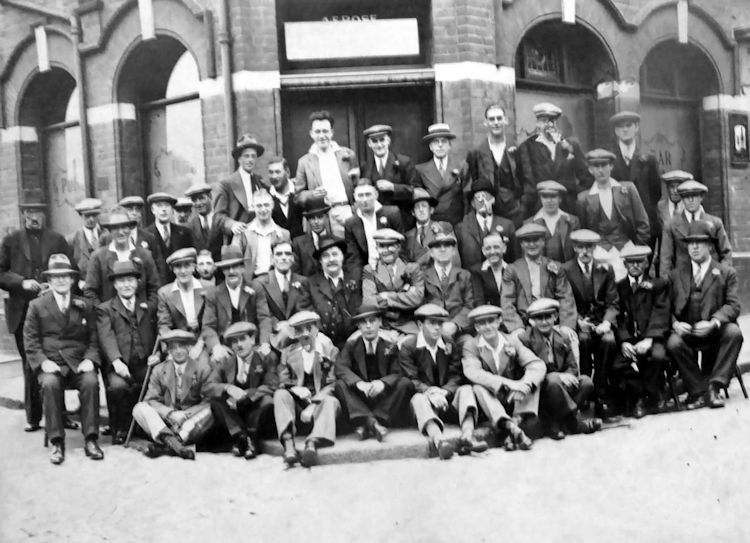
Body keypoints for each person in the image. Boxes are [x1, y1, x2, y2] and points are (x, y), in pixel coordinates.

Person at [23, 254, 102, 464]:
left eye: (65, 276)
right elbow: (30, 340)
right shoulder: (37, 305)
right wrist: (42, 362)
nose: (61, 281)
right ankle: (57, 441)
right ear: (49, 281)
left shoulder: (84, 304)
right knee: (49, 385)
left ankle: (91, 439)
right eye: (56, 277)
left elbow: (94, 338)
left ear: (72, 279)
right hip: (52, 363)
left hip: (78, 362)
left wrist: (90, 359)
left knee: (91, 381)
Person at [0, 201, 72, 432]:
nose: (34, 216)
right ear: (22, 214)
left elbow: (71, 270)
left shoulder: (58, 240)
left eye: (38, 211)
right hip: (22, 311)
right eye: (29, 212)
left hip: (52, 309)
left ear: (44, 214)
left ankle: (61, 416)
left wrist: (54, 287)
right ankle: (34, 417)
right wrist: (21, 282)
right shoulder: (11, 241)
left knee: (57, 359)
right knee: (30, 364)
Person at [666, 221, 743, 410]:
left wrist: (715, 322)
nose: (694, 247)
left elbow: (733, 305)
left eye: (699, 243)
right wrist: (675, 324)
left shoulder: (725, 272)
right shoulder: (676, 275)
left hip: (713, 330)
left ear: (709, 245)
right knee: (673, 343)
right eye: (690, 243)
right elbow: (664, 308)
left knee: (734, 332)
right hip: (687, 331)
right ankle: (698, 390)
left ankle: (714, 386)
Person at [399, 304, 487, 460]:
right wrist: (431, 392)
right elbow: (411, 378)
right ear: (420, 325)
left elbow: (456, 374)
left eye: (440, 323)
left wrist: (445, 392)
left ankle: (467, 435)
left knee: (466, 389)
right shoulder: (409, 346)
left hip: (446, 399)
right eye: (431, 323)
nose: (437, 328)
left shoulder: (447, 342)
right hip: (425, 402)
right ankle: (439, 441)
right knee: (418, 399)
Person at [462, 305, 543, 450]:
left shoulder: (511, 340)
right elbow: (472, 372)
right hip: (491, 402)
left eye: (491, 321)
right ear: (476, 327)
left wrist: (525, 385)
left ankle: (513, 428)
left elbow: (536, 364)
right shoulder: (471, 345)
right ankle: (511, 428)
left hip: (514, 400)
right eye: (482, 323)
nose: (487, 327)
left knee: (533, 380)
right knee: (478, 387)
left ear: (499, 321)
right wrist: (510, 384)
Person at [518, 299, 602, 439]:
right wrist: (559, 376)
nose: (544, 322)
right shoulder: (525, 339)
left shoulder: (562, 337)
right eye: (539, 318)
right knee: (553, 380)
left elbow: (573, 366)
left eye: (548, 317)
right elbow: (527, 370)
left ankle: (556, 422)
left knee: (586, 382)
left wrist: (567, 376)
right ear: (532, 320)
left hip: (561, 387)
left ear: (555, 317)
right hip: (541, 389)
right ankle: (572, 423)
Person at [96, 260, 158, 445]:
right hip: (118, 365)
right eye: (121, 281)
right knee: (118, 387)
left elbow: (156, 334)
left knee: (155, 381)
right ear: (115, 285)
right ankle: (120, 429)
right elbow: (106, 337)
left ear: (137, 282)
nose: (126, 285)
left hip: (143, 362)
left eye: (130, 280)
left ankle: (145, 426)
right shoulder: (105, 309)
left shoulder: (146, 307)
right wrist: (116, 361)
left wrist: (158, 355)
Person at [334, 305, 414, 441]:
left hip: (382, 397)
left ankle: (368, 422)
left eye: (372, 321)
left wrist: (383, 383)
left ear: (380, 323)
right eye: (364, 322)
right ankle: (374, 423)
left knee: (405, 384)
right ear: (358, 326)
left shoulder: (390, 345)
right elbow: (341, 367)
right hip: (360, 397)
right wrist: (358, 383)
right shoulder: (352, 346)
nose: (368, 326)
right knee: (340, 385)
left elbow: (398, 371)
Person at [132, 329, 214, 459]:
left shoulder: (202, 369)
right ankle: (174, 443)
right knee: (139, 408)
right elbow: (151, 400)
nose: (178, 351)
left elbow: (208, 400)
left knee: (213, 409)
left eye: (182, 346)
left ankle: (168, 445)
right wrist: (170, 414)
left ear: (189, 347)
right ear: (169, 351)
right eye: (173, 348)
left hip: (190, 421)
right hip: (167, 422)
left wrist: (186, 415)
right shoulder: (159, 370)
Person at [273, 310, 341, 467]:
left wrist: (314, 404)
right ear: (294, 334)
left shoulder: (329, 351)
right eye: (299, 330)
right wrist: (294, 389)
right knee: (280, 394)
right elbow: (282, 380)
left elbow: (333, 384)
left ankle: (312, 443)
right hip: (299, 406)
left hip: (321, 406)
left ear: (316, 329)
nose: (304, 335)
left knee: (331, 401)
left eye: (308, 329)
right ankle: (289, 444)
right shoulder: (288, 353)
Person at [203, 321, 278, 460]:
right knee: (216, 401)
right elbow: (207, 386)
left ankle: (250, 439)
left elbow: (271, 385)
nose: (239, 345)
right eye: (234, 341)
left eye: (243, 339)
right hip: (235, 413)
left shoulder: (266, 358)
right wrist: (228, 388)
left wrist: (246, 395)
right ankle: (242, 438)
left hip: (254, 409)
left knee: (268, 401)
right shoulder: (226, 362)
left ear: (252, 339)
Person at [561, 230, 619, 410]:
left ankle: (600, 389)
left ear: (594, 248)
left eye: (588, 247)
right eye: (580, 247)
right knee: (583, 341)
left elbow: (613, 302)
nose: (585, 252)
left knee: (609, 340)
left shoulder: (605, 269)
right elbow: (565, 300)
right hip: (580, 322)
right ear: (575, 248)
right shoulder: (566, 270)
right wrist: (577, 320)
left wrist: (607, 323)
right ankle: (585, 388)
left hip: (601, 321)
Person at [614, 245, 671, 418]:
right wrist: (624, 340)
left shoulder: (658, 285)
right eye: (631, 262)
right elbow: (617, 316)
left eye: (639, 261)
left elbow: (661, 313)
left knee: (657, 356)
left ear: (646, 263)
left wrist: (650, 339)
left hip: (652, 339)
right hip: (629, 340)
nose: (635, 266)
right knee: (617, 364)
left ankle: (652, 395)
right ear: (624, 264)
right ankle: (640, 395)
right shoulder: (618, 288)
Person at [577, 148, 650, 280]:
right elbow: (584, 232)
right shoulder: (584, 198)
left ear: (611, 166)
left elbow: (643, 223)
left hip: (627, 250)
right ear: (590, 169)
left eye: (604, 165)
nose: (600, 170)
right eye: (596, 166)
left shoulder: (627, 189)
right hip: (600, 253)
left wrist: (637, 251)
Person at [501, 223, 578, 333]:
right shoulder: (512, 269)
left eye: (536, 240)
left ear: (543, 242)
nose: (532, 244)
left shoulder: (555, 267)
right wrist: (516, 328)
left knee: (569, 339)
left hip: (552, 322)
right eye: (527, 241)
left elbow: (565, 298)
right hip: (525, 325)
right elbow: (507, 302)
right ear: (521, 244)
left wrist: (566, 325)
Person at [201, 245, 272, 364]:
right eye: (227, 268)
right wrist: (216, 347)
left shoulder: (255, 288)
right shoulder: (213, 293)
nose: (231, 271)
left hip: (251, 345)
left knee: (269, 358)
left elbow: (264, 318)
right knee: (215, 362)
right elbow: (208, 326)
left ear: (243, 268)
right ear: (223, 271)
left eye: (235, 266)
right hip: (226, 347)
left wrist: (265, 343)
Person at [518, 102, 592, 214]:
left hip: (568, 209)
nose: (548, 125)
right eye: (544, 121)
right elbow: (526, 182)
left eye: (552, 121)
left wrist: (572, 194)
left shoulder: (570, 144)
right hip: (539, 208)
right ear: (537, 123)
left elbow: (587, 178)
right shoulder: (527, 147)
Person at [294, 111, 358, 238]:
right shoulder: (305, 161)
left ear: (331, 132)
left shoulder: (347, 155)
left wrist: (354, 211)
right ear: (311, 134)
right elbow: (298, 196)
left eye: (325, 131)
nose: (322, 136)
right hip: (320, 215)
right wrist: (312, 194)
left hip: (345, 211)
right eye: (317, 132)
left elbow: (357, 186)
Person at [84, 211, 160, 309]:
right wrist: (103, 312)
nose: (120, 232)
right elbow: (90, 291)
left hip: (141, 317)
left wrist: (149, 307)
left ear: (130, 229)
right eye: (115, 228)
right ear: (110, 231)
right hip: (110, 320)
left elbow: (155, 287)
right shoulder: (98, 257)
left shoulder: (144, 255)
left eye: (124, 227)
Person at [659, 179, 732, 279]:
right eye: (686, 196)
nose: (690, 200)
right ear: (682, 199)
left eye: (694, 196)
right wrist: (669, 285)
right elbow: (665, 260)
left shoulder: (715, 223)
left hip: (711, 280)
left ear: (701, 197)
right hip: (683, 282)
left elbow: (726, 253)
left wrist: (721, 277)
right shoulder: (671, 225)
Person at [465, 104, 525, 226]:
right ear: (485, 122)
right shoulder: (476, 153)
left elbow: (525, 180)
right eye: (492, 119)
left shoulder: (517, 149)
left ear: (505, 120)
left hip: (514, 211)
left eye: (499, 118)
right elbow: (473, 185)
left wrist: (522, 206)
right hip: (488, 211)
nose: (496, 122)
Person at [609, 111, 661, 248]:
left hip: (644, 224)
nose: (625, 129)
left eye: (628, 125)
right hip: (618, 225)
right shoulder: (609, 159)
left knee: (642, 265)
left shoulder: (648, 158)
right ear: (615, 131)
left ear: (636, 128)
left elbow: (656, 193)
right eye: (620, 126)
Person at [362, 229, 424, 336]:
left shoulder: (412, 268)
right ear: (376, 248)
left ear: (399, 247)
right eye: (381, 246)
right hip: (381, 326)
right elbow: (369, 302)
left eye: (390, 245)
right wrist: (404, 297)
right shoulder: (370, 270)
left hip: (407, 325)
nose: (386, 250)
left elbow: (417, 298)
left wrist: (386, 296)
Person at [252, 237, 312, 350]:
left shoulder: (303, 281)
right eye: (279, 254)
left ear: (292, 258)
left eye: (287, 254)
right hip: (273, 337)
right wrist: (278, 324)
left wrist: (292, 325)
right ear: (272, 259)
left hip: (300, 335)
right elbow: (262, 314)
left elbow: (306, 309)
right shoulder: (260, 283)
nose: (284, 257)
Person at [303, 236, 362, 349]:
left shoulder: (356, 279)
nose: (331, 259)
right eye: (326, 256)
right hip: (323, 341)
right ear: (320, 261)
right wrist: (319, 337)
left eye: (335, 254)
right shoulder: (310, 284)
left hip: (355, 339)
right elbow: (307, 314)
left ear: (342, 257)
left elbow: (361, 309)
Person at [360, 124, 418, 229]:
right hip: (376, 220)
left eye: (382, 140)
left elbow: (415, 190)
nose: (379, 145)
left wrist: (393, 187)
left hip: (402, 219)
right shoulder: (365, 167)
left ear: (388, 141)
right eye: (374, 141)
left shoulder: (403, 162)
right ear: (369, 143)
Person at [214, 134, 271, 241]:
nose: (250, 160)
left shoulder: (260, 183)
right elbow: (218, 217)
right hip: (237, 239)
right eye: (246, 156)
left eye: (253, 156)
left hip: (260, 237)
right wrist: (232, 225)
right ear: (239, 158)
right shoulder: (226, 184)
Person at [421, 224, 474, 339]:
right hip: (430, 332)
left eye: (447, 245)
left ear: (454, 251)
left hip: (459, 332)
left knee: (469, 345)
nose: (443, 249)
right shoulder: (423, 276)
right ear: (431, 253)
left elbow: (469, 306)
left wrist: (455, 324)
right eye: (437, 246)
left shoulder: (464, 275)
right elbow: (420, 305)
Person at [344, 178, 402, 280]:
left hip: (393, 268)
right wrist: (357, 281)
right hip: (368, 271)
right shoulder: (351, 223)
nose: (364, 200)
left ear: (376, 194)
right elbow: (354, 258)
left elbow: (401, 247)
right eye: (360, 196)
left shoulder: (392, 213)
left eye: (368, 194)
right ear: (354, 197)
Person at [456, 176, 515, 270]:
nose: (482, 201)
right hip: (473, 280)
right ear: (472, 204)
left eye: (485, 197)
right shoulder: (461, 228)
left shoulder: (507, 225)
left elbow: (514, 258)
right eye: (478, 198)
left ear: (493, 200)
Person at [414, 123, 468, 225]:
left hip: (457, 222)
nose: (440, 145)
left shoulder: (461, 166)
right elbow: (419, 202)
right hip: (433, 223)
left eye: (443, 141)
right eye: (435, 142)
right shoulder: (420, 170)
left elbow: (466, 198)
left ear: (449, 145)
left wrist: (465, 223)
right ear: (431, 147)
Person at [235, 189, 290, 281]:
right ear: (253, 207)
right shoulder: (243, 233)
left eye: (266, 205)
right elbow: (235, 262)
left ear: (272, 205)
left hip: (276, 281)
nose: (263, 209)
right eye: (259, 206)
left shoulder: (283, 233)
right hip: (251, 281)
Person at [144, 192, 196, 284]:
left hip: (181, 285)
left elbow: (192, 262)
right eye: (159, 206)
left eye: (167, 205)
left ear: (172, 209)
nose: (164, 210)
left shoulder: (184, 233)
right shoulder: (145, 235)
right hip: (157, 288)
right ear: (153, 209)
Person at [525, 180, 580, 263]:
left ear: (560, 199)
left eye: (553, 196)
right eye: (545, 197)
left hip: (566, 270)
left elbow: (578, 250)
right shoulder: (530, 223)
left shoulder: (572, 221)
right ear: (540, 199)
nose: (549, 201)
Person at [157, 248, 206, 335]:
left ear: (194, 267)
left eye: (187, 265)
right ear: (173, 269)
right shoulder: (165, 293)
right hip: (178, 343)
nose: (183, 271)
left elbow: (213, 320)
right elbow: (164, 325)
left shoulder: (207, 287)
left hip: (204, 339)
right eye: (178, 266)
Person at [118, 196, 164, 272]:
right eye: (130, 210)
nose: (134, 213)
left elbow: (159, 266)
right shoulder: (114, 238)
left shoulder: (150, 237)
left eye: (137, 210)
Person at [292, 196, 332, 277]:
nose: (316, 222)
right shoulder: (298, 243)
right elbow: (296, 274)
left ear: (326, 218)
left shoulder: (336, 240)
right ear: (308, 220)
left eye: (320, 217)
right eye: (312, 218)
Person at [185, 182, 222, 264]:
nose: (198, 203)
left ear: (210, 197)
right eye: (194, 200)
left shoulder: (221, 220)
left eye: (201, 198)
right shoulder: (190, 227)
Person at [268, 156, 304, 239]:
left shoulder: (299, 191)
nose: (274, 176)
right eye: (271, 172)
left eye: (277, 172)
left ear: (287, 172)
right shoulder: (267, 197)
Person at [69, 198, 103, 279]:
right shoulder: (72, 240)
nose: (91, 219)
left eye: (94, 215)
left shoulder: (107, 236)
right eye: (87, 216)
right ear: (81, 215)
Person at [471, 233, 509, 307]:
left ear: (504, 248)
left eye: (496, 247)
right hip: (488, 314)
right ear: (483, 251)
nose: (492, 252)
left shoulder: (512, 269)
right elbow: (479, 300)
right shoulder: (476, 272)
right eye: (488, 248)